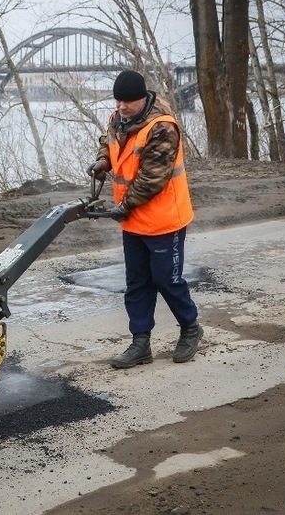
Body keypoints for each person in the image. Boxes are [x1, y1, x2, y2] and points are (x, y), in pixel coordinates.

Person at [87, 70, 202, 369]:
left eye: (128, 102)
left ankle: (190, 328)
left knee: (167, 279)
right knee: (137, 283)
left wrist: (123, 206)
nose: (122, 107)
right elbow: (109, 141)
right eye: (118, 101)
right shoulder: (118, 119)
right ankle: (141, 344)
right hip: (134, 219)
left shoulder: (162, 128)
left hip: (164, 220)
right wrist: (103, 160)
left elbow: (153, 177)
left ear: (144, 98)